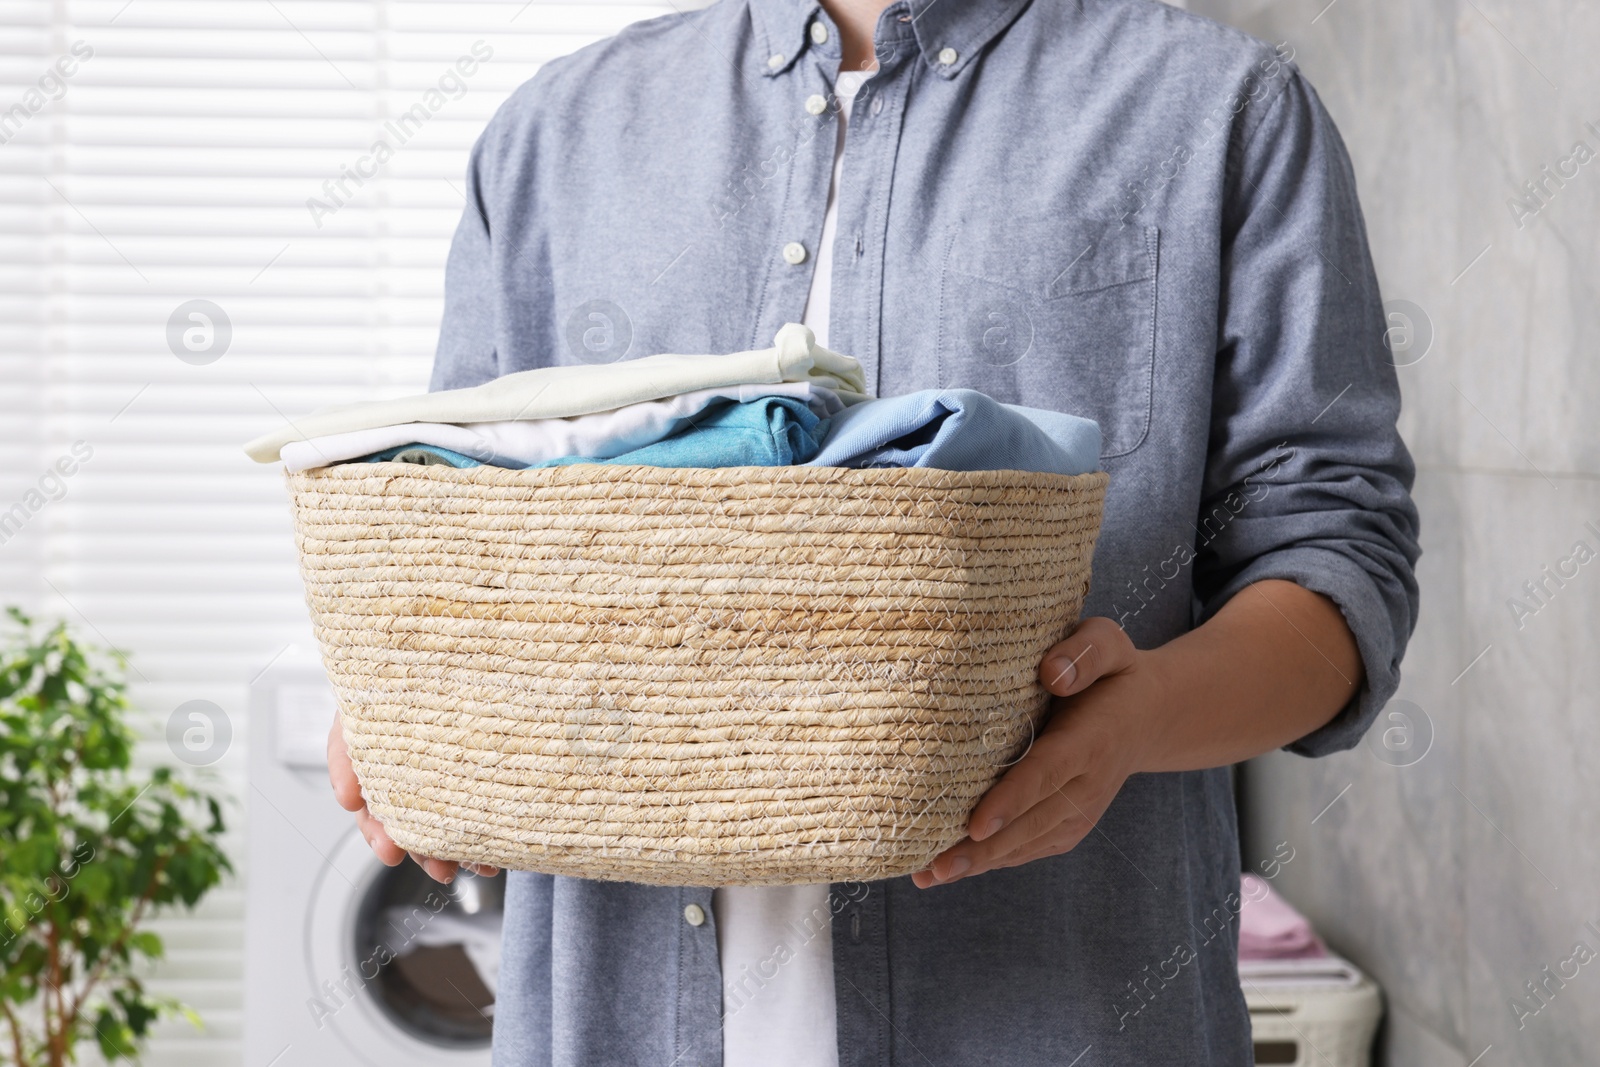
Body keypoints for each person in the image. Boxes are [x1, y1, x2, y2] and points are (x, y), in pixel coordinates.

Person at [327, 0, 1421, 1063]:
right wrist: (410, 714)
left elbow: (1337, 559)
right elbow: (452, 528)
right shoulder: (553, 139)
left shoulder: (1217, 110)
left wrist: (1138, 722)